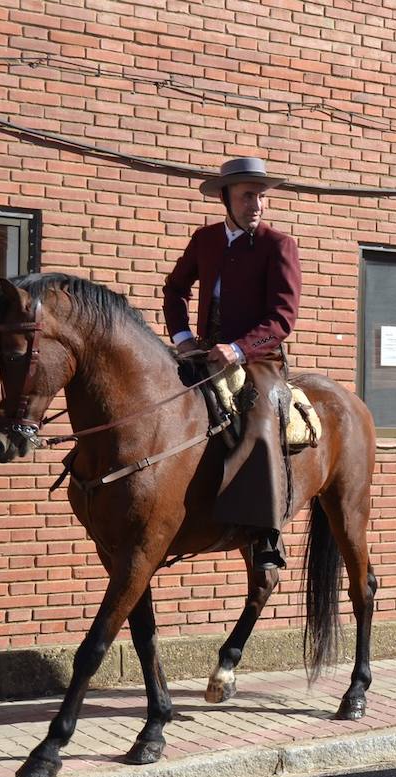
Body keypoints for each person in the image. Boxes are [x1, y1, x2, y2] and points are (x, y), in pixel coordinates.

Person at [163, 157, 301, 570]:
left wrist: (239, 349)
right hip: (204, 350)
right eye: (246, 196)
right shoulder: (204, 240)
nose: (255, 204)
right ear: (226, 198)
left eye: (259, 196)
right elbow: (175, 290)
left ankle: (263, 536)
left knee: (258, 423)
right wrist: (184, 339)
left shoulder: (279, 245)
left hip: (258, 358)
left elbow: (282, 319)